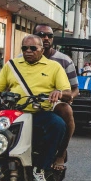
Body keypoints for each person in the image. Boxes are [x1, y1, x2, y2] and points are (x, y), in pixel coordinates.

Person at [0, 35, 71, 181]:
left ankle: (41, 169)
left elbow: (67, 92)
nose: (28, 51)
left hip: (38, 113)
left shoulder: (54, 67)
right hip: (13, 112)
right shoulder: (12, 65)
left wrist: (59, 93)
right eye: (25, 48)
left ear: (42, 50)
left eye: (33, 48)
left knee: (57, 125)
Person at [36, 24, 79, 170]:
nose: (46, 38)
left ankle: (61, 152)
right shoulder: (20, 60)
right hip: (26, 100)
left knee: (66, 110)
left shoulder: (64, 60)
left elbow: (75, 89)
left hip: (53, 101)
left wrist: (66, 96)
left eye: (49, 35)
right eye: (41, 35)